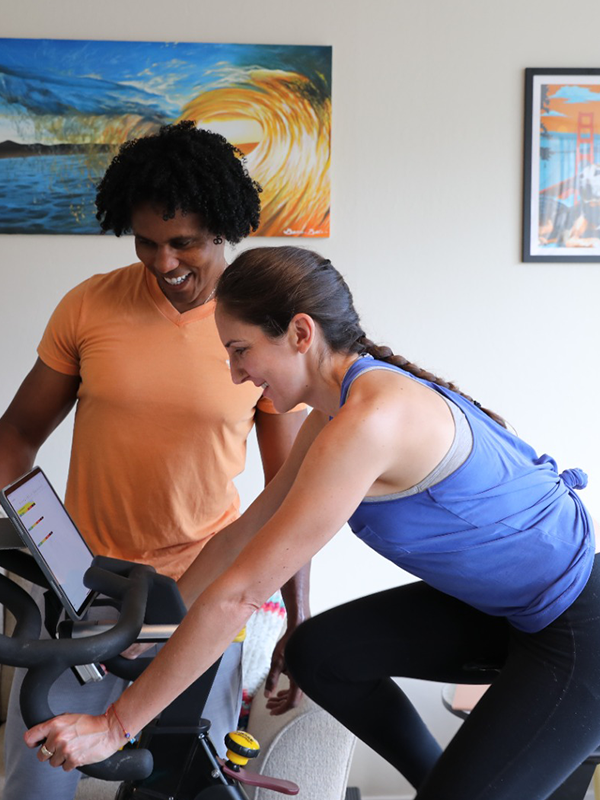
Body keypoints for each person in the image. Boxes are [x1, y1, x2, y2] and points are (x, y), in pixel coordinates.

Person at [26, 245, 599, 800]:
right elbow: (243, 535)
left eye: (241, 350)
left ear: (301, 333)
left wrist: (115, 725)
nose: (235, 373)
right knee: (320, 653)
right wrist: (158, 628)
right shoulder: (336, 414)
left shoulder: (370, 422)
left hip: (577, 629)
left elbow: (242, 594)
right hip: (507, 612)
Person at [0, 128, 307, 800]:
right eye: (146, 241)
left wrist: (298, 620)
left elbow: (293, 494)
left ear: (222, 229)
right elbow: (15, 437)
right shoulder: (89, 305)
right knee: (33, 788)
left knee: (179, 789)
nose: (163, 261)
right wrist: (43, 545)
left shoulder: (263, 327)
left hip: (201, 601)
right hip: (83, 595)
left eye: (183, 242)